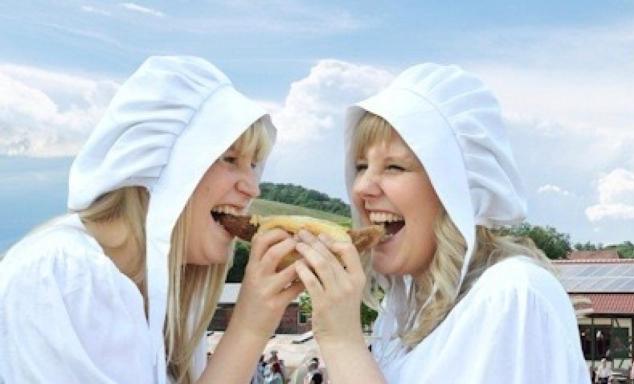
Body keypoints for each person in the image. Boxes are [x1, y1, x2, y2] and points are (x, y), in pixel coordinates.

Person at [0, 56, 303, 383]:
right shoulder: (68, 276)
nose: (253, 188)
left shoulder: (171, 307)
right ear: (160, 166)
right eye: (229, 159)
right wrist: (247, 327)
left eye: (254, 166)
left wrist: (256, 321)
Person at [290, 63, 590, 383]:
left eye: (394, 167)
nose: (362, 187)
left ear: (454, 189)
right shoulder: (399, 316)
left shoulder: (511, 296)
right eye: (361, 166)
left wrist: (342, 341)